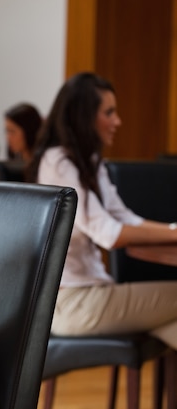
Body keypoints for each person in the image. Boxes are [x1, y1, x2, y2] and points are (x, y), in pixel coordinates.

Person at [26, 71, 177, 347]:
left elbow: (124, 218)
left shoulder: (88, 161)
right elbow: (110, 234)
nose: (117, 121)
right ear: (84, 117)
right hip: (71, 303)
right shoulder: (58, 163)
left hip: (91, 295)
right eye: (109, 113)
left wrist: (171, 230)